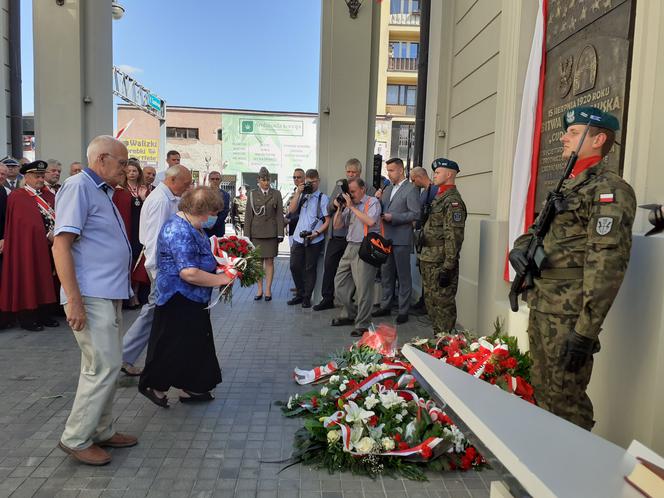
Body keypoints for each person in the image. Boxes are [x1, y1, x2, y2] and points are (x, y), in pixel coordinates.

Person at [509, 106, 635, 431]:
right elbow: (534, 232)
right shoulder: (566, 186)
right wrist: (519, 251)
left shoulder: (610, 190)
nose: (564, 137)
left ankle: (574, 473)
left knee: (566, 401)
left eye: (574, 132)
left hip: (569, 317)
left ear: (599, 139)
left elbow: (606, 266)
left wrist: (585, 330)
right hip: (544, 306)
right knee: (541, 391)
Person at [52, 136, 137, 466]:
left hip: (108, 293)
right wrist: (73, 299)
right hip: (89, 295)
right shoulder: (78, 187)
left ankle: (101, 430)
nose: (126, 169)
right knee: (101, 366)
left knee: (109, 366)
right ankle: (75, 437)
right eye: (121, 163)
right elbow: (61, 246)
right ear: (101, 160)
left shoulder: (102, 191)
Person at [138, 187, 232, 408]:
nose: (213, 217)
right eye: (211, 212)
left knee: (195, 344)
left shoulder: (192, 225)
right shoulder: (178, 230)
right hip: (178, 298)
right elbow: (188, 272)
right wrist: (222, 279)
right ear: (200, 210)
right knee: (174, 346)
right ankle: (156, 386)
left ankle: (192, 387)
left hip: (193, 298)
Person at [120, 164, 192, 376]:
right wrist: (157, 271)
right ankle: (125, 356)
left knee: (154, 313)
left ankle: (126, 356)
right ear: (172, 181)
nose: (188, 187)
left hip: (165, 267)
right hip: (162, 268)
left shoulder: (169, 196)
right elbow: (154, 239)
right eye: (186, 184)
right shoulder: (161, 201)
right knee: (153, 312)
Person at [0, 160, 59, 331]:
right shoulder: (18, 196)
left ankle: (45, 313)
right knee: (29, 277)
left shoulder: (48, 195)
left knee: (46, 278)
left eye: (42, 175)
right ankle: (28, 317)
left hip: (50, 246)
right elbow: (24, 225)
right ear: (27, 177)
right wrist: (44, 234)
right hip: (28, 247)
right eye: (36, 176)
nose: (40, 179)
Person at [314, 158, 375, 311]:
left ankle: (349, 303)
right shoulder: (339, 185)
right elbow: (327, 209)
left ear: (360, 173)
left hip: (357, 238)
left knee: (355, 274)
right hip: (338, 235)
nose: (351, 175)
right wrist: (335, 205)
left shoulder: (368, 188)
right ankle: (327, 298)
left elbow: (371, 213)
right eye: (348, 172)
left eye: (354, 172)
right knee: (329, 267)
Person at [419, 158, 467, 334]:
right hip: (429, 259)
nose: (434, 175)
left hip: (440, 262)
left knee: (443, 305)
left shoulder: (453, 201)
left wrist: (448, 266)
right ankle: (437, 341)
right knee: (431, 303)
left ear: (449, 174)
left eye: (438, 172)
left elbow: (454, 236)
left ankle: (446, 345)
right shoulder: (439, 197)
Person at [331, 178, 381, 337]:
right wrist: (339, 209)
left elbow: (371, 221)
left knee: (363, 289)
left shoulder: (372, 202)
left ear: (363, 189)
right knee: (339, 283)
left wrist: (352, 207)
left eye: (352, 192)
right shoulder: (349, 205)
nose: (350, 195)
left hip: (365, 247)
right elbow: (337, 226)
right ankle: (350, 313)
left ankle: (363, 323)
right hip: (350, 247)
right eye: (348, 192)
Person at [372, 157, 420, 324]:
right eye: (388, 170)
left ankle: (403, 310)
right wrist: (377, 199)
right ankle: (385, 305)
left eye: (391, 170)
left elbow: (415, 214)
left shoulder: (411, 189)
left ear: (401, 170)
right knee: (386, 273)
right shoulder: (387, 188)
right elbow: (381, 209)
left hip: (401, 238)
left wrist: (395, 217)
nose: (389, 174)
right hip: (386, 237)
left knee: (403, 275)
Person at [288, 169, 330, 308]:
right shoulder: (301, 195)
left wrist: (317, 233)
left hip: (314, 239)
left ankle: (306, 297)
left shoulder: (323, 198)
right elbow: (292, 210)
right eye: (307, 182)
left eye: (312, 182)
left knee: (310, 268)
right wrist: (298, 193)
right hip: (298, 238)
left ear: (318, 181)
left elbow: (327, 221)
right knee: (294, 266)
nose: (310, 185)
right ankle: (299, 294)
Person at [244, 167, 284, 301]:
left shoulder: (276, 193)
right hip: (256, 233)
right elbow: (248, 216)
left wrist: (280, 233)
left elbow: (279, 215)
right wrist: (246, 235)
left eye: (268, 180)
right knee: (257, 263)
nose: (266, 182)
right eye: (263, 180)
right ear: (258, 180)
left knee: (270, 261)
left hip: (271, 232)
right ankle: (259, 289)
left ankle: (268, 290)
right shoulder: (252, 194)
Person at [410, 166, 438, 312]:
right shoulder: (425, 192)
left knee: (428, 271)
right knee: (423, 269)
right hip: (422, 236)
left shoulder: (434, 191)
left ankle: (428, 303)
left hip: (429, 238)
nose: (413, 183)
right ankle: (424, 299)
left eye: (414, 180)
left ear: (419, 177)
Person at [284, 168, 306, 295]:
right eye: (294, 177)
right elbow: (291, 210)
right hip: (292, 231)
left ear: (304, 178)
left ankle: (301, 288)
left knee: (298, 263)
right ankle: (298, 286)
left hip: (300, 230)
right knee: (295, 261)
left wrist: (289, 220)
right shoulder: (295, 192)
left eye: (298, 177)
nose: (296, 179)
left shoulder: (306, 193)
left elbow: (304, 214)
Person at [204, 170, 231, 237]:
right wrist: (207, 224)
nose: (215, 181)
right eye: (212, 179)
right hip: (204, 228)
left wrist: (213, 224)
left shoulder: (225, 195)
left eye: (217, 179)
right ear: (209, 180)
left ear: (220, 180)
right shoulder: (203, 193)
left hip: (218, 229)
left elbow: (224, 212)